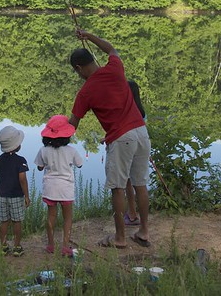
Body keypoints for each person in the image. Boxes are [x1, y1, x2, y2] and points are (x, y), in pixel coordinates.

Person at [68, 30, 152, 249]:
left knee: (117, 188)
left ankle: (120, 238)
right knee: (141, 183)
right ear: (93, 60)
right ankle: (143, 232)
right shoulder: (115, 68)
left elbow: (72, 124)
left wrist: (54, 139)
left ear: (78, 68)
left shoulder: (85, 92)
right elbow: (111, 48)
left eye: (76, 72)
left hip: (121, 138)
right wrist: (89, 36)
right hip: (141, 132)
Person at [34, 114, 84, 257]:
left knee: (51, 216)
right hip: (66, 188)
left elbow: (39, 167)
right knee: (67, 217)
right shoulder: (71, 150)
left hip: (50, 188)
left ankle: (50, 245)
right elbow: (79, 164)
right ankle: (65, 246)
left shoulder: (43, 150)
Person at [0, 125, 31, 257]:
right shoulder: (21, 161)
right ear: (17, 146)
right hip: (16, 195)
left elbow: (0, 176)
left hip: (1, 194)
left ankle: (3, 246)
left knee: (4, 221)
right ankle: (17, 246)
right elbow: (23, 180)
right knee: (17, 221)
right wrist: (27, 196)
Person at [124, 79, 146, 227]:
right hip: (141, 145)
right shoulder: (141, 111)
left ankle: (132, 214)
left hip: (126, 146)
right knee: (140, 183)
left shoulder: (125, 110)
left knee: (127, 182)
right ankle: (143, 222)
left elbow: (124, 130)